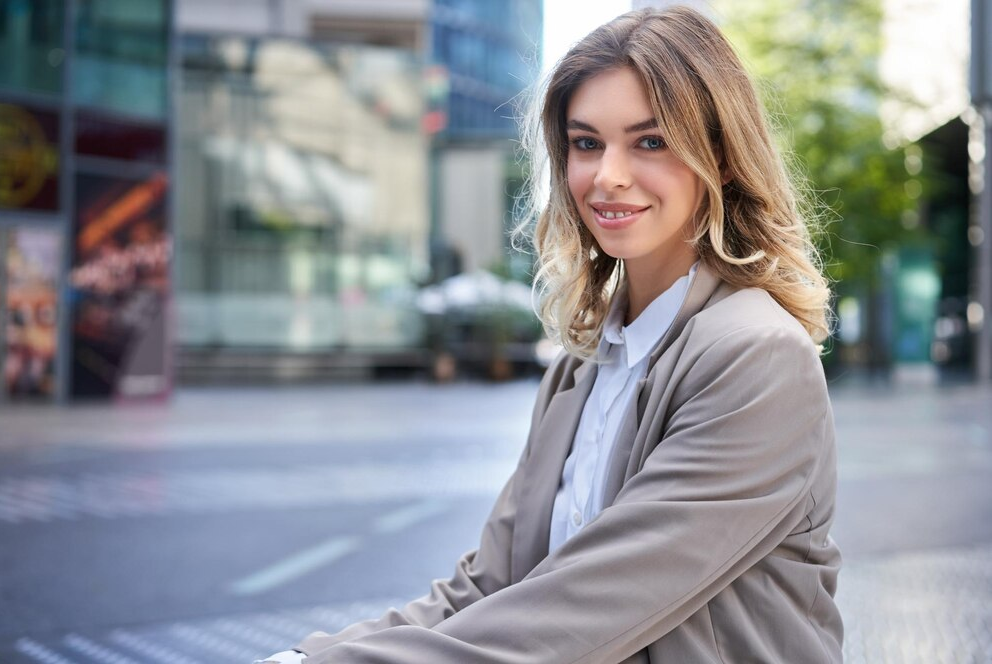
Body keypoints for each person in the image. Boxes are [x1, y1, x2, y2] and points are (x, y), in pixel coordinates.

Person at [259, 6, 842, 663]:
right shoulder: (584, 367)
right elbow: (487, 585)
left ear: (723, 158)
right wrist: (314, 654)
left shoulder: (756, 357)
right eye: (586, 143)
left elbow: (588, 604)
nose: (607, 175)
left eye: (650, 141)